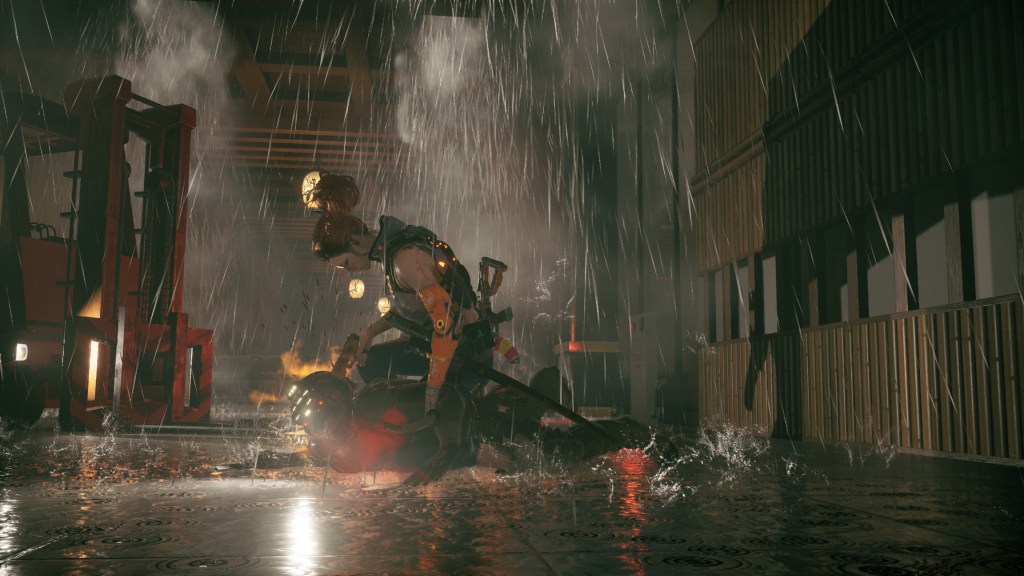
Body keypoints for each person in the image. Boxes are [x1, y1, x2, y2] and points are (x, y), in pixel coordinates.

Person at [308, 173, 491, 417]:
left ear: (357, 243)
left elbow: (446, 326)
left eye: (346, 263)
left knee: (426, 417)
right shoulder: (392, 257)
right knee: (372, 362)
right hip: (442, 348)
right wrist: (369, 333)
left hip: (466, 356)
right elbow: (409, 308)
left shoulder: (403, 260)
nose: (349, 271)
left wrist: (431, 392)